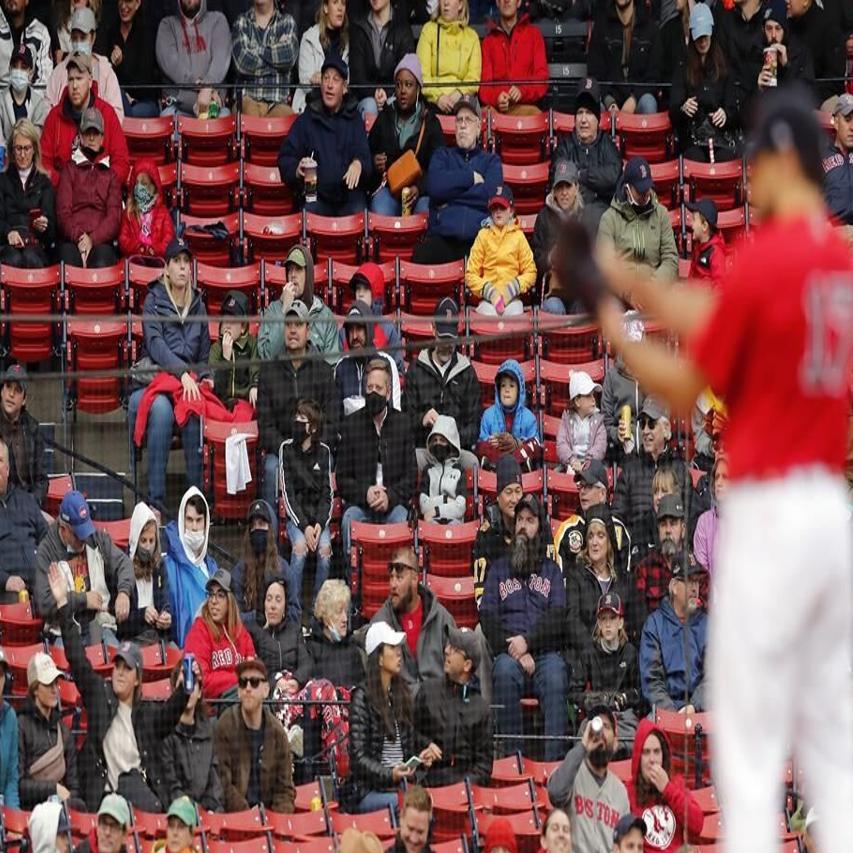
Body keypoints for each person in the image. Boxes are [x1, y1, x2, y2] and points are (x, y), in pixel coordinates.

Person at [45, 561, 191, 811]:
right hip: (103, 797)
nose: (120, 673)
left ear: (137, 679)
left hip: (139, 798)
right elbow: (77, 659)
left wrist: (187, 688)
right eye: (118, 666)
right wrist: (62, 604)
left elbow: (170, 714)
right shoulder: (99, 696)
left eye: (127, 668)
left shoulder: (146, 714)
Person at [479, 494, 568, 761]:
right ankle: (511, 763)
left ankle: (554, 766)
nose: (522, 526)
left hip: (545, 655)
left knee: (556, 677)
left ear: (540, 528)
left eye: (530, 520)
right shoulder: (498, 570)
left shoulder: (552, 571)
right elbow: (487, 618)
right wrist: (515, 648)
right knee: (504, 672)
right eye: (519, 520)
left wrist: (528, 643)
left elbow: (557, 617)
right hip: (509, 653)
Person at [127, 239, 211, 508]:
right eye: (177, 262)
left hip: (187, 385)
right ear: (167, 267)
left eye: (187, 263)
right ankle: (156, 502)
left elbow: (205, 354)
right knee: (162, 410)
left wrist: (206, 377)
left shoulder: (198, 304)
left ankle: (195, 503)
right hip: (155, 383)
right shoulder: (153, 300)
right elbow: (156, 345)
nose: (183, 268)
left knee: (193, 408)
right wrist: (183, 373)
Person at [347, 621, 438, 813]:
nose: (399, 653)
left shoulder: (399, 693)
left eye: (398, 648)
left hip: (399, 786)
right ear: (378, 658)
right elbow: (358, 758)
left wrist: (423, 751)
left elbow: (408, 737)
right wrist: (391, 774)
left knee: (428, 803)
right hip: (369, 790)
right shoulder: (362, 698)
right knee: (408, 807)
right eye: (392, 647)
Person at [258, 299, 338, 506]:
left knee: (325, 463)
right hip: (282, 450)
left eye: (299, 324)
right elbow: (265, 426)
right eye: (288, 325)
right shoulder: (268, 372)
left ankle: (320, 528)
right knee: (270, 468)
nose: (293, 330)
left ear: (308, 330)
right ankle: (272, 534)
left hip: (315, 447)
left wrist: (311, 446)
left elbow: (332, 421)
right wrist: (288, 450)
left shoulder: (324, 371)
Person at [337, 358, 415, 559]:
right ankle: (353, 580)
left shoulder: (402, 424)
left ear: (388, 393)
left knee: (401, 520)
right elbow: (342, 479)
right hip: (361, 505)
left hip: (393, 504)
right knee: (349, 520)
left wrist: (390, 497)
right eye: (369, 387)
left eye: (378, 388)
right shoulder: (351, 425)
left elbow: (410, 477)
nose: (373, 392)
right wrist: (365, 493)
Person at [34, 489, 133, 645]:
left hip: (99, 624)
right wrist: (83, 599)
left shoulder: (95, 538)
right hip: (63, 631)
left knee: (116, 656)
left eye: (85, 531)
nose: (84, 538)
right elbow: (44, 603)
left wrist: (124, 592)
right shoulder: (47, 551)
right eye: (77, 534)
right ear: (63, 529)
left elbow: (124, 563)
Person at [413, 96, 502, 264]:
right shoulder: (442, 155)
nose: (462, 125)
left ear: (478, 128)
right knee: (420, 256)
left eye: (468, 120)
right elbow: (435, 187)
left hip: (478, 241)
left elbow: (490, 197)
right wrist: (470, 178)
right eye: (459, 120)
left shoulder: (491, 161)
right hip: (443, 236)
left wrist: (450, 195)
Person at [278, 54, 370, 214]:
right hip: (316, 196)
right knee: (308, 212)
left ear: (344, 87)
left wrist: (359, 163)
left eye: (335, 80)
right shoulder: (307, 119)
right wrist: (297, 169)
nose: (329, 85)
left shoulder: (354, 119)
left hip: (349, 197)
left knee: (359, 212)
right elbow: (285, 157)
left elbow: (366, 159)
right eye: (326, 78)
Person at [366, 545, 457, 695]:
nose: (392, 585)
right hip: (399, 708)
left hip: (438, 706)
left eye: (399, 578)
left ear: (415, 579)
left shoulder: (441, 618)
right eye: (391, 578)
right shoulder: (381, 623)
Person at [403, 296, 481, 469]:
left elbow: (474, 427)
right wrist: (421, 419)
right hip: (424, 449)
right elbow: (404, 421)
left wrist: (450, 436)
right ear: (433, 329)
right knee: (407, 459)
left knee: (473, 463)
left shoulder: (467, 372)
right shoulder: (416, 369)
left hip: (456, 452)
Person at [214, 656, 296, 812]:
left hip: (270, 820)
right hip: (234, 817)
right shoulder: (225, 725)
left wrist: (278, 820)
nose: (248, 688)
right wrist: (248, 816)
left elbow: (285, 789)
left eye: (255, 682)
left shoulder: (277, 733)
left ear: (266, 690)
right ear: (238, 691)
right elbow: (222, 784)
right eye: (243, 683)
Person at [414, 626, 492, 786]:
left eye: (455, 649)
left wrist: (461, 787)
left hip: (464, 792)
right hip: (428, 782)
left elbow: (483, 768)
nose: (447, 650)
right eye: (448, 645)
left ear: (467, 665)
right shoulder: (427, 691)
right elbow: (409, 734)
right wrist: (424, 747)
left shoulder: (481, 709)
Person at [611, 398, 687, 561]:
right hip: (638, 558)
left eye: (651, 424)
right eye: (642, 425)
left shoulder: (680, 470)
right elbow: (617, 520)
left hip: (675, 557)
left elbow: (689, 517)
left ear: (666, 429)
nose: (645, 431)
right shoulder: (630, 469)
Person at [40, 51, 129, 188]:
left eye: (79, 78)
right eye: (71, 79)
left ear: (90, 81)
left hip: (100, 196)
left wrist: (102, 182)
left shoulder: (107, 113)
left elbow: (121, 162)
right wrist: (65, 184)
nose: (74, 86)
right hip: (63, 195)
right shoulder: (54, 116)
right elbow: (44, 163)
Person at [367, 54, 443, 215]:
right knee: (380, 209)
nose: (402, 91)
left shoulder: (430, 121)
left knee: (426, 212)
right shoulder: (385, 116)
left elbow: (439, 166)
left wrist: (419, 187)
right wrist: (374, 162)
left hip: (420, 192)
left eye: (408, 85)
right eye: (398, 84)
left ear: (418, 88)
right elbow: (366, 151)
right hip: (390, 189)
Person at [547, 706, 630, 851]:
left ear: (616, 742)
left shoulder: (620, 792)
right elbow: (555, 793)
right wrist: (583, 746)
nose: (601, 732)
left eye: (607, 727)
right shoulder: (571, 773)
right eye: (597, 725)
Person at [565, 505, 641, 658]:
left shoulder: (624, 579)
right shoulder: (576, 576)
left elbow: (634, 620)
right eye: (590, 536)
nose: (594, 542)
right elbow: (572, 619)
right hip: (586, 654)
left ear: (610, 541)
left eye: (601, 536)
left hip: (619, 653)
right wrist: (593, 648)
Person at [569, 592, 642, 744]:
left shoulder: (630, 652)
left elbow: (641, 692)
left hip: (623, 717)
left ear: (621, 622)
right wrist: (590, 700)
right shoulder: (588, 652)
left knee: (629, 741)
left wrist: (624, 698)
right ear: (599, 624)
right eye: (603, 619)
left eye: (613, 618)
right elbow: (573, 693)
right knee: (582, 741)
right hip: (596, 716)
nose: (608, 624)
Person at [280, 398, 333, 607]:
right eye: (296, 418)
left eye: (302, 419)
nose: (297, 422)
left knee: (325, 551)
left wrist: (319, 523)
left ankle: (318, 610)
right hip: (297, 520)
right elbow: (288, 494)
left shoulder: (324, 452)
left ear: (312, 427)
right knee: (300, 548)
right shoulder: (286, 449)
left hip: (319, 521)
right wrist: (305, 526)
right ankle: (293, 606)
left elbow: (327, 494)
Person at [552, 77, 622, 232]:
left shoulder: (606, 144)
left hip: (602, 215)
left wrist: (581, 175)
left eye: (589, 113)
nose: (583, 120)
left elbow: (614, 175)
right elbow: (558, 174)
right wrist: (596, 185)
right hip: (570, 213)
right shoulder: (565, 145)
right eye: (580, 113)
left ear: (598, 119)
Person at [671, 4, 739, 162]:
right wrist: (683, 108)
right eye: (698, 37)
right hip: (692, 138)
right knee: (694, 158)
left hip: (721, 138)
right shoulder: (683, 67)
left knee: (726, 160)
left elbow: (734, 110)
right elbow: (673, 111)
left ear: (712, 34)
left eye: (705, 36)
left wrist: (725, 115)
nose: (702, 42)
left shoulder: (724, 67)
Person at [55, 105, 121, 268]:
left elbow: (114, 219)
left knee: (102, 261)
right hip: (72, 240)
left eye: (95, 133)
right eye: (87, 133)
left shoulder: (111, 175)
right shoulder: (69, 169)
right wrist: (80, 238)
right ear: (80, 137)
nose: (91, 138)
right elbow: (63, 214)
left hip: (101, 241)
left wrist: (92, 239)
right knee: (67, 261)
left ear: (102, 138)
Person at [639, 561, 707, 713]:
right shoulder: (654, 624)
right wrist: (671, 713)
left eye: (696, 582)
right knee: (649, 734)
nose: (695, 588)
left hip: (700, 709)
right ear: (674, 587)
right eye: (689, 581)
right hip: (664, 711)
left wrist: (694, 706)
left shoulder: (706, 624)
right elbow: (651, 681)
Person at [626, 719, 703, 851]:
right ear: (638, 757)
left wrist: (668, 789)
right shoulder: (628, 792)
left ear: (663, 755)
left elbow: (697, 825)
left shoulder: (675, 785)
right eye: (646, 752)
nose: (652, 759)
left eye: (656, 752)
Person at [18, 653, 81, 811]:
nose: (54, 690)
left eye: (56, 684)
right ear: (35, 690)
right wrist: (53, 788)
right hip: (31, 809)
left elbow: (73, 787)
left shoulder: (64, 732)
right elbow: (18, 785)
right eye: (48, 684)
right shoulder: (21, 726)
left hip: (61, 810)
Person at [598, 158, 678, 281]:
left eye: (647, 188)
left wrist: (653, 287)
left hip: (655, 290)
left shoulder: (661, 214)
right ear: (627, 189)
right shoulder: (609, 219)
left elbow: (670, 258)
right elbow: (606, 265)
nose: (645, 194)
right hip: (622, 291)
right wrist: (631, 292)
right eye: (640, 190)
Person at [258, 244, 340, 364]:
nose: (293, 275)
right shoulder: (273, 310)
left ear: (308, 274)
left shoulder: (325, 315)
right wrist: (284, 311)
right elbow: (267, 356)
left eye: (298, 269)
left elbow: (331, 367)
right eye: (290, 269)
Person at [184, 568, 257, 702]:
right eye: (211, 594)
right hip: (213, 708)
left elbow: (253, 671)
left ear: (231, 600)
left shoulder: (241, 632)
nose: (213, 601)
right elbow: (203, 681)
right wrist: (238, 678)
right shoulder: (199, 630)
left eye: (220, 595)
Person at [160, 662, 224, 812]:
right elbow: (170, 786)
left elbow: (214, 786)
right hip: (177, 815)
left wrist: (212, 812)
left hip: (206, 817)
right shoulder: (164, 731)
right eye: (183, 685)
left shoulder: (209, 731)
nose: (188, 691)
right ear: (174, 691)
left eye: (193, 684)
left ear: (200, 692)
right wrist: (193, 812)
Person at [553, 461, 632, 578]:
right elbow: (559, 580)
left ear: (602, 494)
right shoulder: (567, 530)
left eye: (588, 486)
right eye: (581, 486)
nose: (582, 492)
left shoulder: (618, 529)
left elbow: (625, 579)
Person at [465, 185, 536, 316]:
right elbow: (470, 274)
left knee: (515, 312)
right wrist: (489, 291)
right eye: (494, 208)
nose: (498, 211)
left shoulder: (519, 237)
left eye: (502, 208)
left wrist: (513, 288)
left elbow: (531, 272)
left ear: (511, 211)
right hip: (487, 300)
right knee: (488, 314)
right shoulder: (483, 235)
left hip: (512, 299)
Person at [163, 487, 218, 647]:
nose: (194, 527)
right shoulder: (167, 566)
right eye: (189, 519)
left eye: (199, 520)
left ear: (206, 523)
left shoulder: (213, 567)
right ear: (182, 521)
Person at [45, 7, 123, 119]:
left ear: (93, 38)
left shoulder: (105, 71)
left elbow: (117, 115)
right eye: (75, 38)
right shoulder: (60, 71)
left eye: (83, 38)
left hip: (97, 134)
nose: (78, 43)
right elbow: (47, 109)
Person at [156, 0, 231, 117]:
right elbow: (171, 65)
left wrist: (208, 87)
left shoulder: (218, 20)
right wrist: (203, 87)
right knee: (166, 117)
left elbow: (220, 61)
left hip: (213, 106)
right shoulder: (167, 25)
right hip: (178, 108)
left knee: (224, 117)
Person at [231, 498, 297, 624]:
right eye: (253, 526)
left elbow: (294, 612)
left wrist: (277, 618)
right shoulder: (239, 571)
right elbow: (234, 615)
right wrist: (256, 617)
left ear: (271, 529)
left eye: (261, 524)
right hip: (248, 637)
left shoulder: (284, 569)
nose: (257, 530)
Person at [588, 0, 660, 114]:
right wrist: (609, 101)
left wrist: (634, 99)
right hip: (609, 97)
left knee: (648, 102)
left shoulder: (650, 28)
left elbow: (654, 77)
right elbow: (595, 74)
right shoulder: (601, 26)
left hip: (638, 98)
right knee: (593, 104)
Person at [245, 577, 313, 698]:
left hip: (294, 687)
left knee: (324, 687)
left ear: (285, 606)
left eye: (278, 600)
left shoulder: (294, 630)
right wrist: (275, 682)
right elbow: (252, 668)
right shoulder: (252, 630)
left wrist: (296, 681)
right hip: (269, 691)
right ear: (263, 603)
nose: (273, 606)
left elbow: (306, 663)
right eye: (269, 599)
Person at [478, 0, 547, 114]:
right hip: (496, 110)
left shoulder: (534, 35)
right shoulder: (488, 42)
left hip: (526, 107)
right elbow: (484, 87)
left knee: (535, 115)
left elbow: (542, 80)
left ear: (519, 2)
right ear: (497, 3)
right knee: (482, 116)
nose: (507, 1)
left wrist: (522, 91)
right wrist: (497, 98)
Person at [335, 301, 402, 418]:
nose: (354, 336)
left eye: (359, 328)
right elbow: (335, 417)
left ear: (369, 330)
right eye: (351, 330)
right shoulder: (341, 367)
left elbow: (395, 413)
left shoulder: (387, 362)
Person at [232, 0, 298, 117]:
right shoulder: (242, 22)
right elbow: (242, 63)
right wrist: (275, 65)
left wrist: (256, 50)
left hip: (278, 103)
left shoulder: (287, 22)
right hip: (247, 99)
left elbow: (288, 57)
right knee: (251, 113)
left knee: (288, 116)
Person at [94, 0, 159, 117]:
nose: (123, 6)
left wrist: (123, 62)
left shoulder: (147, 32)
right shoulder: (110, 30)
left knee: (128, 113)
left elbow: (146, 78)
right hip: (114, 97)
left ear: (138, 3)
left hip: (144, 101)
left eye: (128, 1)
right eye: (121, 1)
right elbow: (100, 69)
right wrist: (112, 64)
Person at [472, 453, 523, 604]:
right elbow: (481, 593)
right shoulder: (486, 534)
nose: (514, 499)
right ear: (498, 496)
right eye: (508, 492)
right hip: (499, 614)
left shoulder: (535, 526)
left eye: (518, 491)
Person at [349, 0, 414, 116]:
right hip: (366, 96)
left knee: (394, 104)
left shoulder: (402, 28)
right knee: (370, 105)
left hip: (394, 94)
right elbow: (357, 77)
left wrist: (387, 92)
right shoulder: (359, 27)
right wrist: (375, 92)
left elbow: (407, 74)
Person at [0, 436, 47, 595]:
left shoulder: (26, 500)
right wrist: (5, 580)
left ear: (7, 469)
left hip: (40, 587)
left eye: (0, 461)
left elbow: (47, 539)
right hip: (7, 592)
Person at [633, 495, 693, 618]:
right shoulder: (644, 569)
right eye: (663, 524)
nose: (668, 530)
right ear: (658, 529)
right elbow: (639, 623)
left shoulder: (695, 570)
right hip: (653, 636)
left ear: (683, 529)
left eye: (673, 524)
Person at [120, 501, 171, 645]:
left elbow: (165, 602)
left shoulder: (160, 566)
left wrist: (166, 617)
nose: (148, 546)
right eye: (143, 541)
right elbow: (120, 624)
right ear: (135, 539)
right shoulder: (123, 567)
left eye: (151, 540)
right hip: (132, 640)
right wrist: (142, 614)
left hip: (158, 638)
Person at [535, 159, 585, 307]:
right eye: (559, 187)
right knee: (553, 307)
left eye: (568, 186)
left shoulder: (586, 216)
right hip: (555, 289)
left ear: (576, 188)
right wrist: (550, 258)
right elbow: (536, 259)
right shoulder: (543, 217)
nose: (564, 193)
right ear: (553, 191)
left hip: (580, 288)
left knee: (583, 307)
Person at [415, 0, 479, 113]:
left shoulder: (472, 37)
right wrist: (438, 97)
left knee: (471, 109)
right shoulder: (428, 30)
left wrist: (458, 94)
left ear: (460, 4)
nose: (445, 3)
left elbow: (473, 78)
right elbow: (422, 75)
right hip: (432, 100)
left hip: (462, 99)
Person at [476, 359, 540, 470]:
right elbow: (481, 442)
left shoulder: (529, 418)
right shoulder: (488, 415)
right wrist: (493, 443)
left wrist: (517, 443)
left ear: (519, 390)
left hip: (520, 465)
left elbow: (536, 443)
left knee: (531, 447)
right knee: (482, 447)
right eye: (503, 386)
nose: (506, 390)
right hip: (494, 462)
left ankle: (521, 466)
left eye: (511, 386)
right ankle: (493, 467)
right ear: (498, 389)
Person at [291, 0, 350, 114]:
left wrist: (322, 78)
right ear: (326, 8)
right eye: (335, 2)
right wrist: (333, 81)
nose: (340, 8)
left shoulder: (349, 42)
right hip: (309, 106)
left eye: (343, 3)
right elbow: (304, 80)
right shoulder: (309, 38)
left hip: (338, 108)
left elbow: (347, 82)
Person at [0, 364, 47, 506]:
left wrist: (32, 504)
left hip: (28, 504)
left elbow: (42, 480)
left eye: (18, 390)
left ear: (24, 399)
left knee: (53, 525)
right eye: (8, 387)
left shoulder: (33, 429)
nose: (11, 394)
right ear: (1, 391)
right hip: (3, 505)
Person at [344, 263, 405, 369]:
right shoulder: (346, 329)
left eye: (366, 289)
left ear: (376, 292)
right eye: (358, 289)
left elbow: (399, 372)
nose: (360, 294)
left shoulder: (388, 330)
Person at [208, 290, 259, 415]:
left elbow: (256, 370)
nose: (227, 326)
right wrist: (225, 358)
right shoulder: (216, 349)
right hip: (222, 405)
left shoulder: (252, 345)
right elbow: (217, 391)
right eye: (225, 321)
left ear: (243, 327)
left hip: (246, 405)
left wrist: (254, 385)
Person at [786, 0, 845, 109]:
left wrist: (805, 97)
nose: (787, 1)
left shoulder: (829, 28)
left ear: (805, 1)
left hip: (821, 102)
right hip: (789, 97)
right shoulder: (786, 26)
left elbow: (835, 81)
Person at [308, 579, 365, 687]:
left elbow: (362, 689)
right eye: (339, 612)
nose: (345, 619)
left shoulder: (353, 649)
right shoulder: (311, 650)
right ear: (325, 616)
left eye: (346, 611)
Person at [118, 158, 175, 261]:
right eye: (137, 183)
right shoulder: (129, 212)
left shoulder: (163, 213)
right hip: (134, 261)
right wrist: (139, 248)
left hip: (157, 261)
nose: (139, 187)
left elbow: (168, 241)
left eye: (144, 184)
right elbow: (123, 240)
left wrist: (154, 250)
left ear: (154, 187)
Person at [755, 0, 813, 94]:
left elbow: (806, 96)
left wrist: (787, 66)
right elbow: (743, 101)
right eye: (769, 29)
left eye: (778, 28)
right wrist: (758, 89)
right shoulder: (754, 54)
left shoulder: (800, 53)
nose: (773, 35)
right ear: (763, 30)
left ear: (785, 31)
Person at [418, 415, 467, 525]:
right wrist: (446, 499)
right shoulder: (428, 470)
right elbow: (424, 506)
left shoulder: (459, 470)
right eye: (435, 440)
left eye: (442, 440)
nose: (438, 444)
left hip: (454, 523)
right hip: (431, 523)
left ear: (451, 443)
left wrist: (436, 511)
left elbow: (460, 507)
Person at [557, 370, 606, 473]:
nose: (593, 399)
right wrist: (572, 460)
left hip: (592, 465)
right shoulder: (566, 419)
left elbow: (600, 446)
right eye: (588, 395)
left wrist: (587, 462)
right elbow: (561, 444)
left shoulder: (598, 420)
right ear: (577, 401)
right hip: (571, 465)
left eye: (593, 395)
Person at [0, 45, 50, 139]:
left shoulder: (39, 104)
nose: (18, 71)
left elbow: (36, 139)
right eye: (15, 66)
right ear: (10, 69)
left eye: (23, 67)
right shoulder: (1, 101)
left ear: (30, 73)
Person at [821, 92, 853, 233]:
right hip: (833, 233)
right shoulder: (820, 156)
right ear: (835, 121)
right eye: (847, 119)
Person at [4, 0, 53, 88]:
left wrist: (24, 100)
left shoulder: (40, 32)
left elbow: (43, 83)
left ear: (26, 1)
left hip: (33, 99)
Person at [693, 454, 727, 574]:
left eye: (725, 477)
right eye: (716, 477)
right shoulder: (704, 522)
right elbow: (702, 573)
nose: (719, 483)